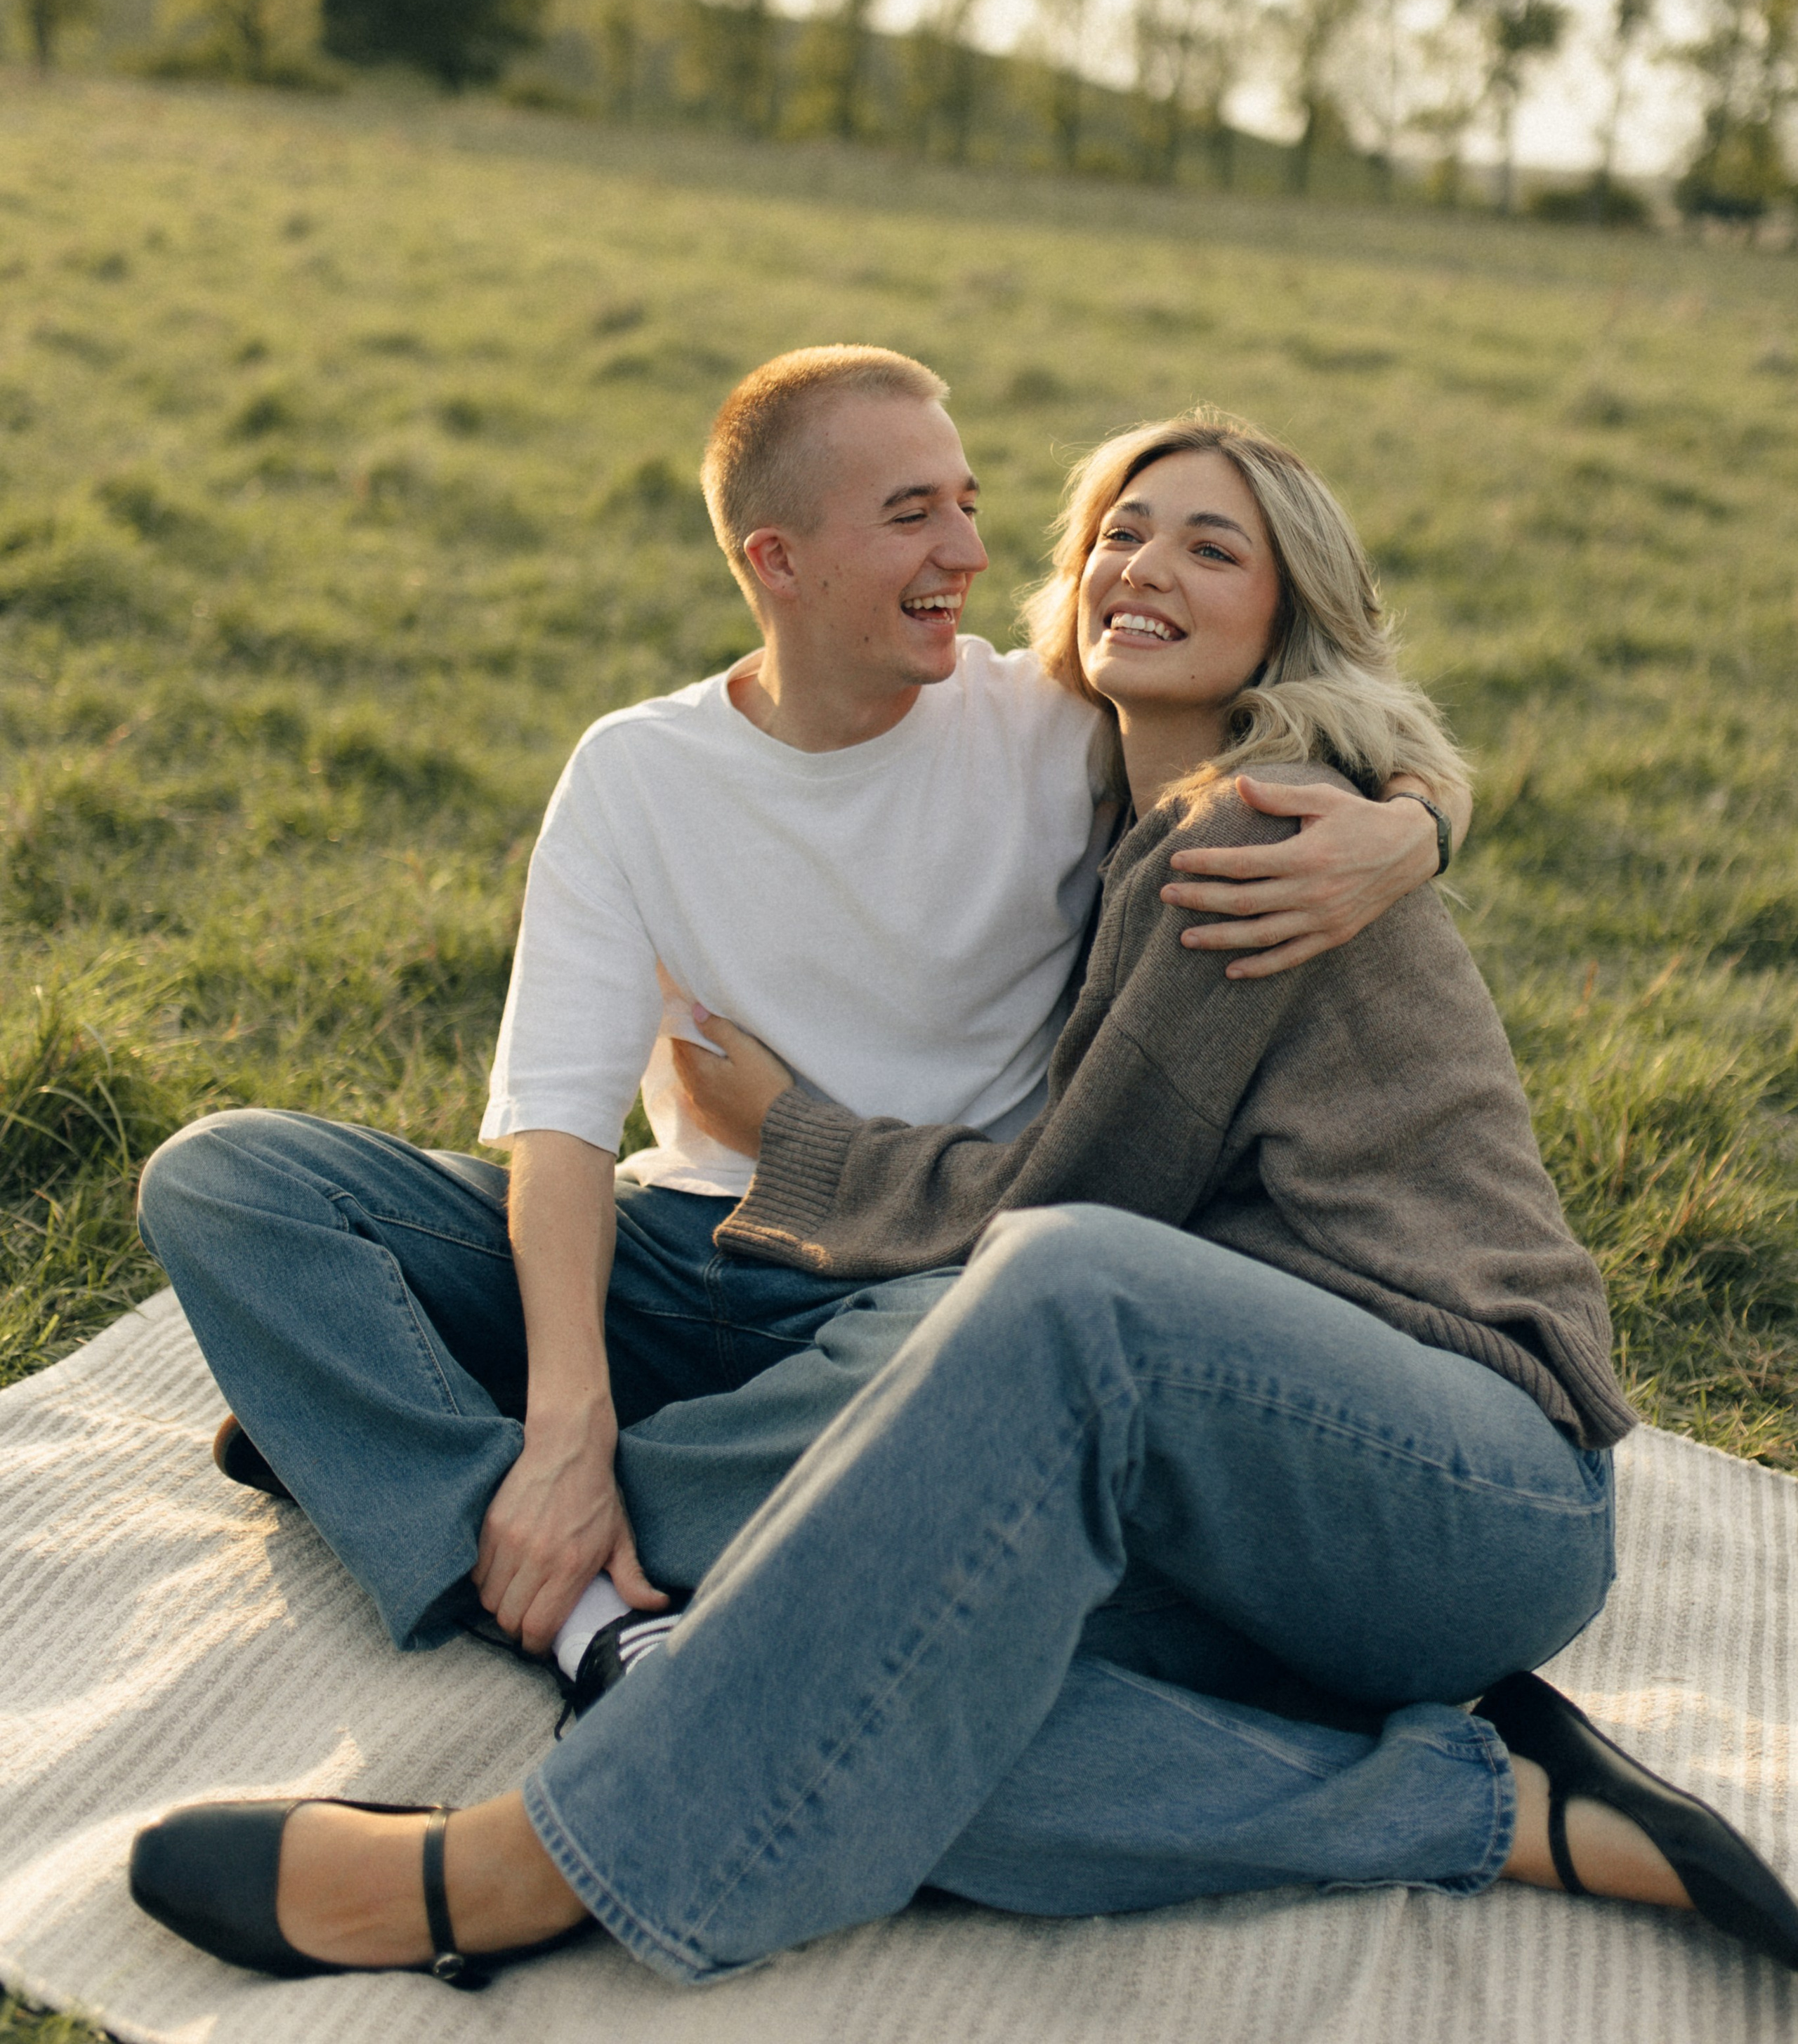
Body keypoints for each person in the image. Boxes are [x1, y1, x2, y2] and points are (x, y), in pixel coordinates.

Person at [131, 409, 1798, 1988]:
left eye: (1210, 551)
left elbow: (1073, 1215)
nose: (1143, 567)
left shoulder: (1249, 832)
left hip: (1463, 1487)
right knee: (881, 1696)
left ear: (1293, 617)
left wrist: (794, 1138)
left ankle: (526, 1855)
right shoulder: (1111, 783)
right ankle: (1491, 1806)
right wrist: (1426, 810)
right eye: (1120, 535)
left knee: (1046, 1304)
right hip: (1245, 1492)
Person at [136, 347, 1462, 1704]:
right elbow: (558, 1127)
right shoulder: (638, 772)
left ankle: (493, 1520)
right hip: (676, 1250)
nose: (970, 548)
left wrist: (1420, 825)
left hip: (920, 1290)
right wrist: (569, 1411)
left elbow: (1322, 710)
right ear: (777, 558)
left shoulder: (1059, 725)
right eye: (912, 515)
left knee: (970, 1367)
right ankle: (576, 1534)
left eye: (967, 499)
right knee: (228, 1180)